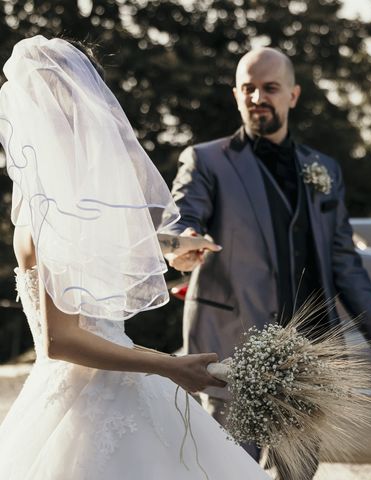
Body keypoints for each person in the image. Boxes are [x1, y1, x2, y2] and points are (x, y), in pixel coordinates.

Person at [0, 36, 269, 480]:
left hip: (110, 383)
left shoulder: (54, 205)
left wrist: (172, 248)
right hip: (81, 409)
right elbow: (61, 341)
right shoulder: (48, 212)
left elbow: (97, 256)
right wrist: (169, 366)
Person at [167, 46, 371, 479]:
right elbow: (183, 216)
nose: (257, 98)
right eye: (248, 89)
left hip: (309, 355)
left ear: (293, 95)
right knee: (228, 470)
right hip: (231, 346)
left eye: (269, 88)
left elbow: (345, 263)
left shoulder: (323, 169)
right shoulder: (207, 160)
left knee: (299, 473)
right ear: (235, 94)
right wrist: (184, 242)